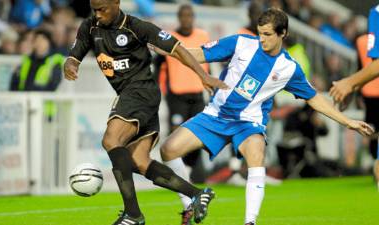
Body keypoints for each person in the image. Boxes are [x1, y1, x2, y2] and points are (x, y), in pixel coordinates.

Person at [154, 8, 374, 225]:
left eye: (268, 34)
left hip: (248, 123)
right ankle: (191, 201)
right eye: (260, 33)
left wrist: (348, 122)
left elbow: (315, 99)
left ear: (282, 34)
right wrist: (170, 49)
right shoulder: (241, 42)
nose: (262, 39)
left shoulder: (289, 68)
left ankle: (250, 221)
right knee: (168, 149)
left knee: (256, 153)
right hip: (215, 115)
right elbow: (200, 54)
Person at [63, 1, 228, 225]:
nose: (98, 14)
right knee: (138, 161)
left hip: (141, 91)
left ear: (116, 3)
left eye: (102, 9)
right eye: (94, 9)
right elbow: (76, 53)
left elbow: (177, 48)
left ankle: (132, 214)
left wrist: (203, 76)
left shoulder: (138, 27)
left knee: (111, 140)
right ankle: (197, 194)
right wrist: (71, 64)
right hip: (133, 96)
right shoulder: (89, 27)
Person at [154, 4, 210, 225]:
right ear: (179, 18)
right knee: (176, 138)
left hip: (197, 94)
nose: (187, 19)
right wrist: (160, 92)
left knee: (197, 139)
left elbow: (208, 63)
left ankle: (185, 177)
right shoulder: (170, 38)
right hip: (176, 96)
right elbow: (159, 67)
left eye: (190, 15)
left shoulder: (203, 35)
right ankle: (184, 183)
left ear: (193, 17)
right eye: (183, 15)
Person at [330, 4, 379, 189]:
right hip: (370, 94)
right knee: (373, 131)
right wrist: (354, 86)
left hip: (371, 93)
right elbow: (364, 68)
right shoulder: (361, 41)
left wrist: (349, 84)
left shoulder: (377, 13)